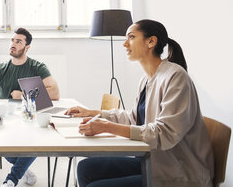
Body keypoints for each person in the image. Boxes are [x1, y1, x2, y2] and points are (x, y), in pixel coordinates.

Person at [67, 19, 214, 187]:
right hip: (154, 161)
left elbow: (164, 133)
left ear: (151, 41)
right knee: (86, 168)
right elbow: (135, 118)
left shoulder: (175, 77)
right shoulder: (146, 79)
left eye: (131, 37)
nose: (124, 44)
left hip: (179, 173)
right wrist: (96, 113)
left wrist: (106, 127)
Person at [0, 27, 60, 187]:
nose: (13, 44)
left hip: (29, 119)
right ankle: (23, 170)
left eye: (18, 41)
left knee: (35, 142)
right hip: (7, 120)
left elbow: (55, 92)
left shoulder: (37, 66)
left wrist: (23, 94)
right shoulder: (2, 68)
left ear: (27, 47)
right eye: (12, 40)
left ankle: (11, 180)